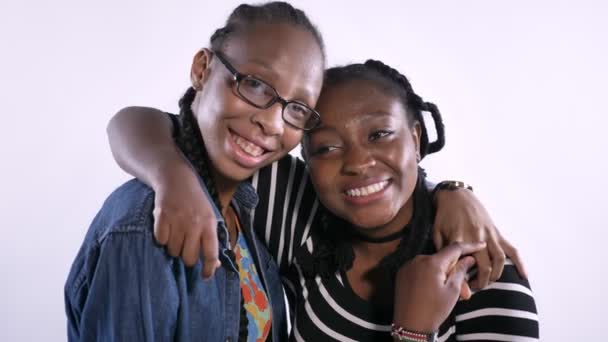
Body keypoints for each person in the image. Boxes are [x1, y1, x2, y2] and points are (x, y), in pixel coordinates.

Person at [109, 59, 538, 341]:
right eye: (327, 148)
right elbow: (140, 124)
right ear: (306, 160)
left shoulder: (486, 277)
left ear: (417, 137)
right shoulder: (296, 208)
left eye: (379, 134)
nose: (356, 163)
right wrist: (172, 176)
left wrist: (414, 331)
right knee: (140, 201)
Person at [65, 3, 327, 341]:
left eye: (297, 108)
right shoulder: (148, 228)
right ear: (202, 69)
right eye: (256, 84)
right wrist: (169, 173)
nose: (273, 123)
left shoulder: (247, 208)